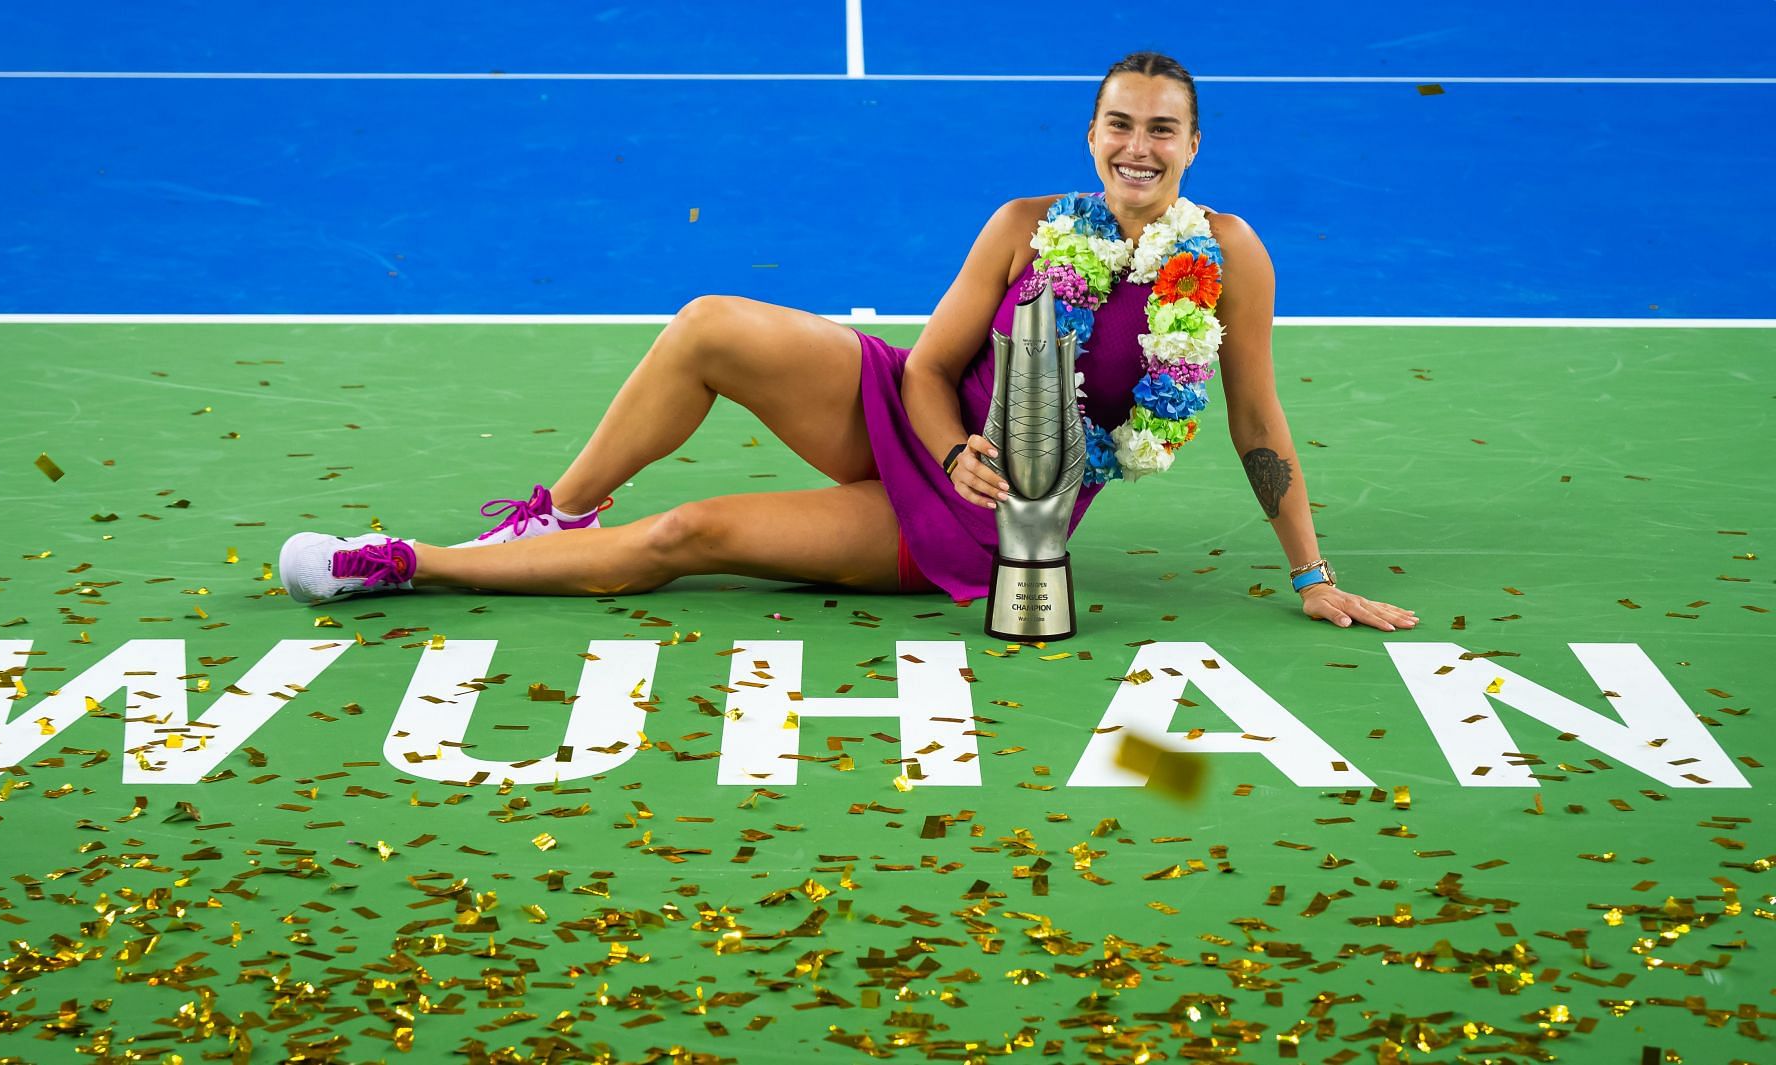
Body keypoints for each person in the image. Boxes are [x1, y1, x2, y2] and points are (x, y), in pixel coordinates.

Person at [279, 52, 1417, 633]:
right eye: (1119, 122)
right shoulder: (1027, 226)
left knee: (690, 531)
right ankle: (559, 512)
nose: (1138, 144)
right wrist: (953, 438)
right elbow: (926, 367)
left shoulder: (1228, 257)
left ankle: (408, 564)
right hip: (923, 424)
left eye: (1161, 129)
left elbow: (1256, 421)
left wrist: (1313, 576)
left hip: (1001, 506)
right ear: (1092, 133)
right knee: (710, 323)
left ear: (1193, 145)